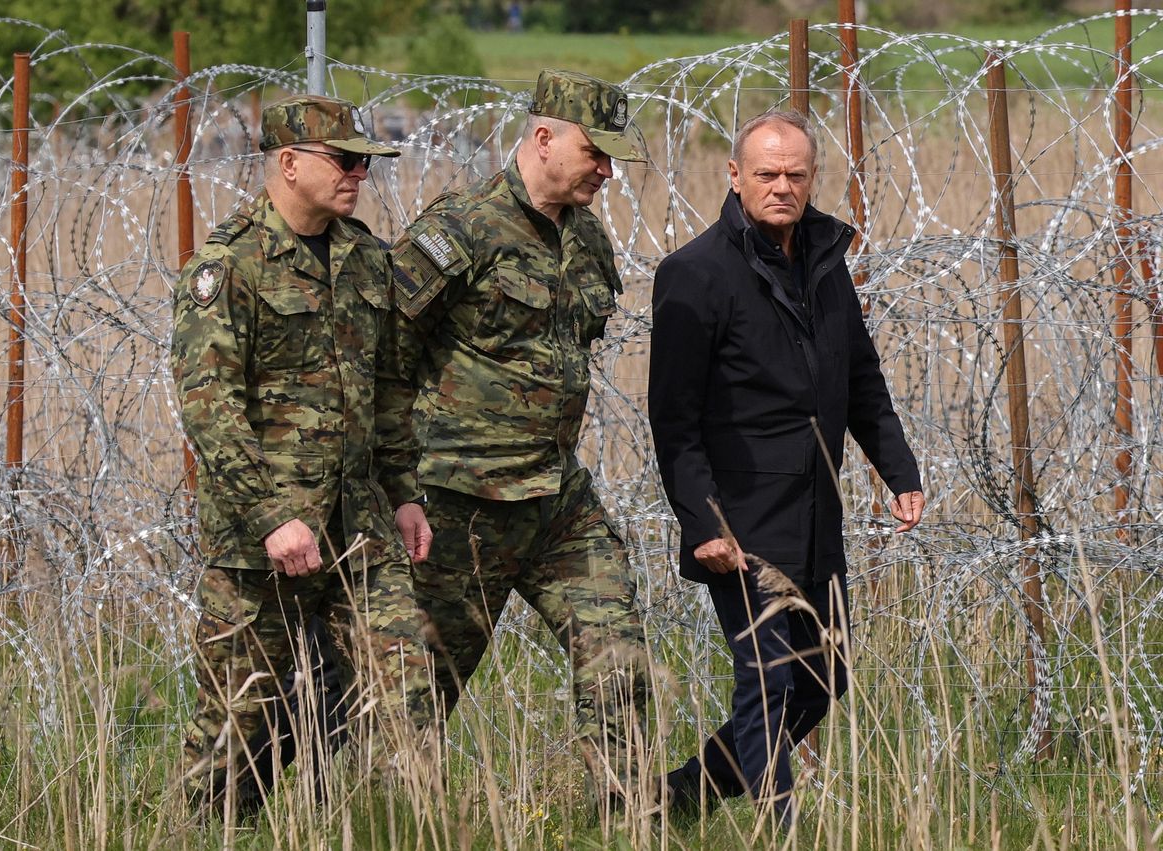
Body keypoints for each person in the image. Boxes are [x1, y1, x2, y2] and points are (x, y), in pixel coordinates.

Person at [648, 110, 925, 826]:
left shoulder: (827, 263)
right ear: (734, 176)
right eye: (766, 173)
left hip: (816, 518)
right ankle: (782, 828)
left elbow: (860, 379)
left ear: (811, 179)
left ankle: (683, 795)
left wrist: (899, 469)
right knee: (766, 680)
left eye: (795, 174)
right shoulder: (694, 275)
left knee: (821, 677)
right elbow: (673, 419)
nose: (781, 186)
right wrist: (701, 522)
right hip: (739, 524)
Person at [387, 69, 650, 816]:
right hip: (463, 503)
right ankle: (392, 820)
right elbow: (386, 354)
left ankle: (622, 814)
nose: (607, 170)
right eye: (595, 153)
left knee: (617, 652)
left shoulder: (589, 240)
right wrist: (398, 485)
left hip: (557, 500)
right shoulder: (460, 229)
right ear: (543, 137)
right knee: (421, 691)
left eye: (613, 158)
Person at [172, 94, 434, 816]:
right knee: (233, 720)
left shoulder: (364, 259)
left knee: (407, 685)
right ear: (288, 163)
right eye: (343, 160)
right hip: (264, 541)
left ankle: (393, 825)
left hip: (360, 530)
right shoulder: (228, 267)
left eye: (364, 162)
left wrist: (405, 491)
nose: (359, 174)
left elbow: (387, 389)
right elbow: (210, 408)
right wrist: (270, 516)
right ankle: (203, 828)